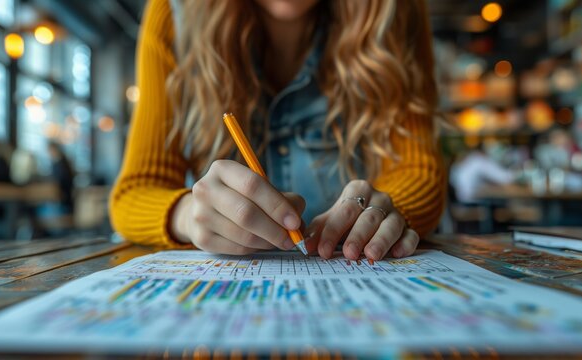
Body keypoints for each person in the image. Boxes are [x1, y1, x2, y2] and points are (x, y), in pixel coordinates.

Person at [110, 0, 445, 260]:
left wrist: (388, 210)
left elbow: (417, 172)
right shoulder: (175, 13)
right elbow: (136, 192)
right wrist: (187, 216)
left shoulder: (390, 9)